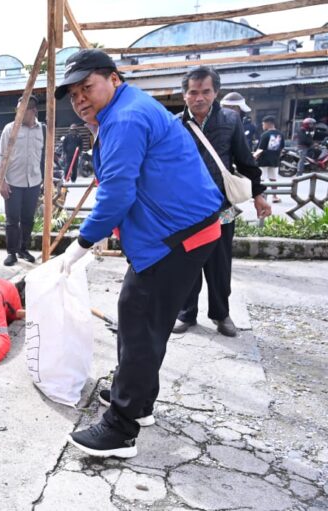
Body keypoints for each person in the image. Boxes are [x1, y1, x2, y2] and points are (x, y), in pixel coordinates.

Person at [54, 49, 224, 458]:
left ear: (113, 78)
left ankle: (121, 428)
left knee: (138, 322)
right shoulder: (125, 109)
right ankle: (139, 401)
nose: (80, 100)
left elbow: (116, 193)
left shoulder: (125, 119)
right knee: (148, 322)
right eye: (74, 95)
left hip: (176, 237)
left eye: (86, 88)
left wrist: (79, 245)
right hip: (185, 231)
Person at [174, 67, 271, 338]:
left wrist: (258, 194)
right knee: (187, 264)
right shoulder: (174, 124)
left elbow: (244, 160)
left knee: (219, 266)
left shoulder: (230, 120)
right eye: (193, 92)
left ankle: (221, 314)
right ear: (185, 95)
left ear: (215, 92)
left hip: (222, 209)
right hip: (187, 211)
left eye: (206, 91)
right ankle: (186, 313)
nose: (199, 98)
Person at [0, 95, 44, 266]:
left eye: (22, 110)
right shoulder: (10, 129)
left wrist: (47, 180)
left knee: (28, 219)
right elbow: (1, 155)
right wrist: (1, 181)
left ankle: (23, 249)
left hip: (34, 181)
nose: (18, 114)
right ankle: (11, 253)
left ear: (33, 111)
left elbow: (44, 157)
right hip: (13, 182)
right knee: (12, 220)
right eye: (17, 110)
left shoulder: (43, 130)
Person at [254, 116, 285, 203]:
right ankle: (274, 196)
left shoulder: (265, 135)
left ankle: (260, 196)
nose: (263, 126)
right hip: (274, 160)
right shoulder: (280, 134)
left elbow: (260, 149)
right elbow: (282, 148)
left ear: (268, 123)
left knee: (261, 179)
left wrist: (253, 157)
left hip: (263, 160)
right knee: (273, 179)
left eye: (263, 124)